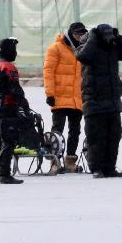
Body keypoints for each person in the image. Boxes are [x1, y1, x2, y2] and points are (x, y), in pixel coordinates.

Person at [76, 24, 122, 178]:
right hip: (93, 99)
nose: (108, 37)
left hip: (113, 100)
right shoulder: (88, 45)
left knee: (114, 135)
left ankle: (109, 167)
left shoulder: (113, 46)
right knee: (96, 137)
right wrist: (93, 36)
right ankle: (96, 168)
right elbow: (83, 56)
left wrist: (118, 36)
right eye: (106, 35)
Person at [0, 37, 29, 185]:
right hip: (7, 108)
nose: (15, 52)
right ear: (9, 50)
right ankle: (4, 174)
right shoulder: (9, 67)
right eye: (14, 49)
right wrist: (24, 107)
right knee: (8, 141)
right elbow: (15, 89)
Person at [43, 21, 87, 174]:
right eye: (77, 33)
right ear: (70, 33)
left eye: (82, 34)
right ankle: (54, 161)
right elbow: (48, 72)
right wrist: (50, 93)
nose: (80, 36)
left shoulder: (84, 49)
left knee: (75, 131)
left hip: (77, 98)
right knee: (57, 131)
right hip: (60, 96)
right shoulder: (55, 48)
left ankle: (70, 161)